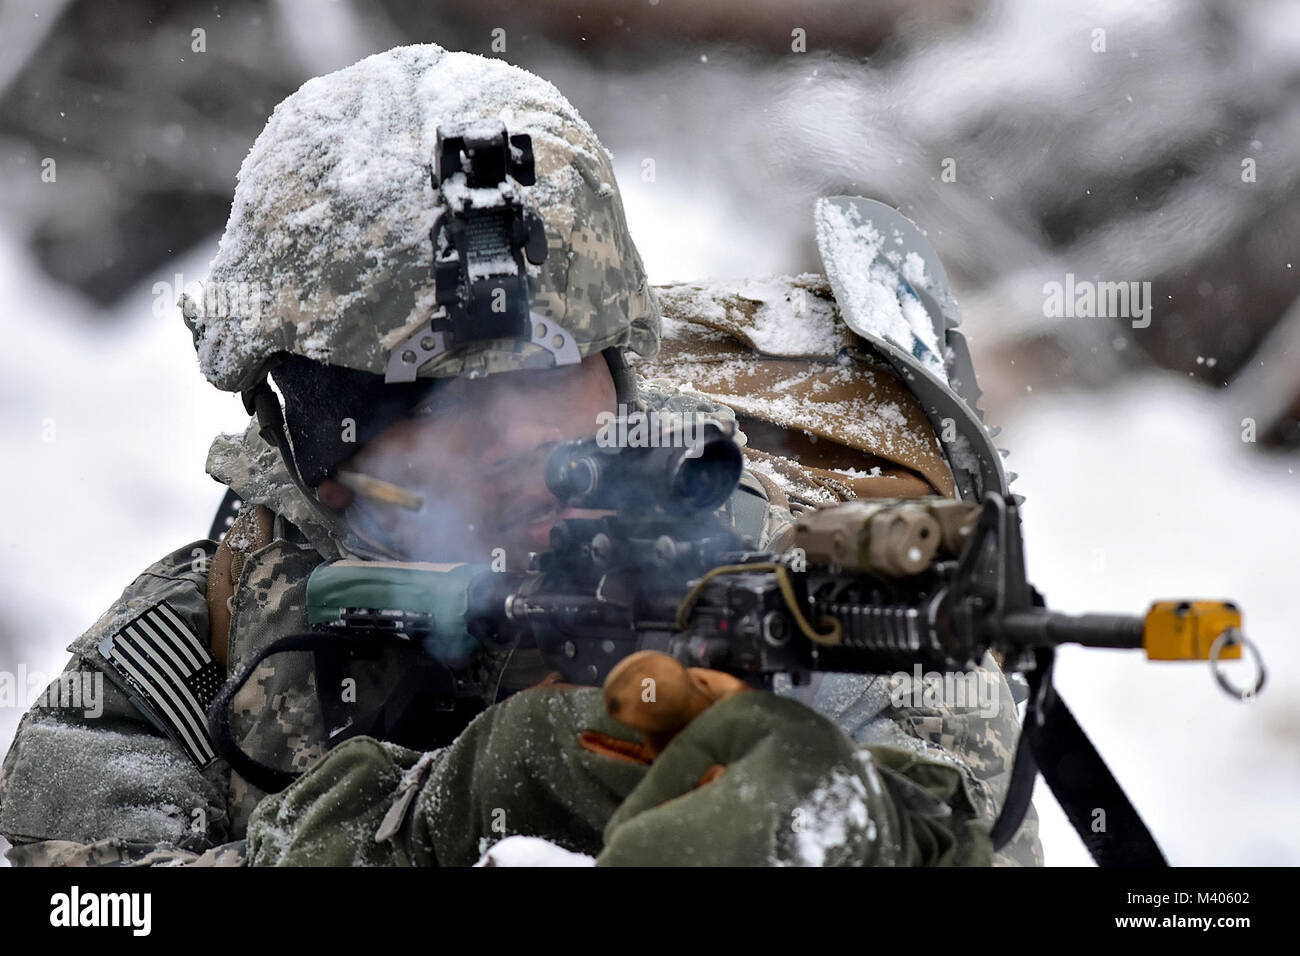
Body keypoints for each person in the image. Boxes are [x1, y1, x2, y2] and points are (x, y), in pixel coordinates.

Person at [0, 44, 1040, 866]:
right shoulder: (178, 668)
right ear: (303, 430)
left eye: (545, 378)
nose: (512, 446)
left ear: (622, 364)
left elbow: (960, 816)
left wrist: (847, 827)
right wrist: (431, 823)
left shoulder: (807, 590)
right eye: (426, 402)